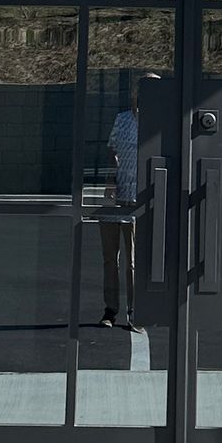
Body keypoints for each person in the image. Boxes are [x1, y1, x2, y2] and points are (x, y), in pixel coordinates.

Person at [100, 102, 139, 327]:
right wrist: (110, 178)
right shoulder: (122, 119)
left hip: (137, 197)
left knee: (133, 259)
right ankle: (110, 309)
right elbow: (111, 149)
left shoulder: (159, 124)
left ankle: (134, 310)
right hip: (114, 194)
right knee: (109, 256)